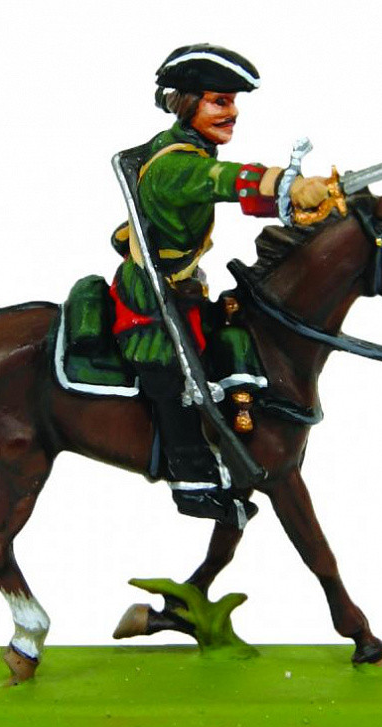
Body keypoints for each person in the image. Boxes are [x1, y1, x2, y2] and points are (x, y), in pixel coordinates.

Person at [110, 43, 329, 527]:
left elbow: (223, 185)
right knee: (176, 377)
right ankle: (193, 484)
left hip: (184, 283)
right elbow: (220, 180)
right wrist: (287, 185)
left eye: (233, 102)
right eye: (219, 101)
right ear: (188, 104)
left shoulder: (187, 148)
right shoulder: (177, 164)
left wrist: (293, 202)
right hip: (152, 295)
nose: (232, 113)